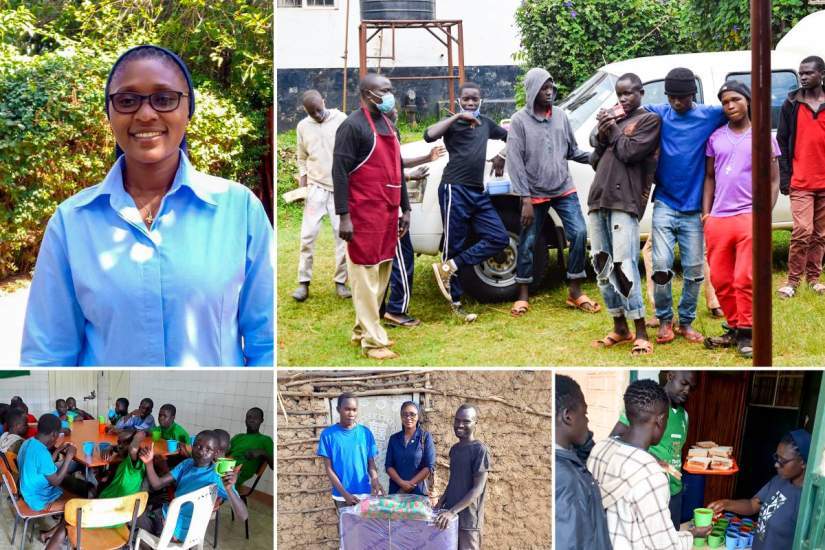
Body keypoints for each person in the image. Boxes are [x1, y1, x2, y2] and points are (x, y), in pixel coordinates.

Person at [20, 44, 274, 366]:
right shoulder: (71, 222)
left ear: (188, 109)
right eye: (127, 101)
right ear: (109, 113)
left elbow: (267, 345)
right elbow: (47, 355)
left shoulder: (238, 210)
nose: (145, 114)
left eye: (164, 98)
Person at [644, 67, 727, 345]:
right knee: (661, 265)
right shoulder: (659, 113)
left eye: (681, 97)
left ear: (692, 94)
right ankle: (666, 321)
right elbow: (633, 105)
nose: (676, 103)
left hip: (693, 209)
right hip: (665, 203)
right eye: (671, 97)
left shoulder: (708, 115)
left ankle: (687, 322)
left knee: (693, 269)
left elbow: (738, 108)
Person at [332, 73, 411, 360]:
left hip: (388, 212)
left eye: (391, 89)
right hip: (362, 213)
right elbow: (339, 174)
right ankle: (374, 342)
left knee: (380, 273)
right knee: (364, 275)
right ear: (367, 93)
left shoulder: (389, 124)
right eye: (385, 90)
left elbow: (398, 169)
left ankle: (361, 329)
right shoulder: (351, 127)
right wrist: (344, 216)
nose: (390, 94)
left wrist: (407, 209)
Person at [506, 68, 595, 317]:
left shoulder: (561, 116)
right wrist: (524, 198)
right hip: (533, 193)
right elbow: (515, 162)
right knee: (529, 241)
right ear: (533, 90)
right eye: (544, 88)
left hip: (563, 187)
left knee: (579, 233)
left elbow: (572, 150)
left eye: (551, 88)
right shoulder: (519, 121)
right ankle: (522, 293)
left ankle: (575, 290)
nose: (549, 92)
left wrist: (595, 158)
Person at [703, 81, 780, 358]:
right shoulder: (716, 138)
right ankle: (734, 328)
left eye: (735, 99)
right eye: (725, 102)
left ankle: (748, 332)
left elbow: (773, 180)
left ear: (747, 101)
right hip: (719, 218)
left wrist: (763, 217)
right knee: (721, 279)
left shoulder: (762, 136)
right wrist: (706, 214)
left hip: (749, 216)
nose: (730, 106)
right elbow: (710, 177)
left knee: (744, 277)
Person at [588, 73, 661, 356]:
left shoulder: (649, 121)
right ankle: (620, 326)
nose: (623, 99)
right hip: (599, 198)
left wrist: (614, 132)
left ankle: (641, 331)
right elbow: (595, 149)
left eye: (628, 93)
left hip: (625, 201)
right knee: (601, 266)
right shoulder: (615, 120)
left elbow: (631, 152)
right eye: (619, 94)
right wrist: (602, 126)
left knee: (625, 266)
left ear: (641, 92)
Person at [589, 379, 710, 549]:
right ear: (661, 420)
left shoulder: (599, 449)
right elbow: (665, 545)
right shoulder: (653, 475)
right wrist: (692, 534)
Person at [428, 81, 509, 322]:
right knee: (455, 243)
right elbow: (428, 135)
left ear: (481, 99)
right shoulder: (452, 125)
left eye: (475, 99)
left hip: (478, 192)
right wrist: (456, 117)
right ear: (459, 101)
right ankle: (456, 303)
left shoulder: (485, 123)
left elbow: (513, 136)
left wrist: (502, 155)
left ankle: (450, 266)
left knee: (499, 237)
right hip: (455, 189)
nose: (471, 103)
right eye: (466, 100)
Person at [382, 107, 446, 328]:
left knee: (385, 263)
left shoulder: (379, 133)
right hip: (390, 209)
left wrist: (425, 159)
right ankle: (396, 310)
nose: (397, 112)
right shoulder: (386, 133)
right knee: (403, 260)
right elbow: (393, 172)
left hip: (382, 209)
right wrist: (405, 211)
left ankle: (381, 307)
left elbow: (395, 165)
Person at [609, 371, 696, 528]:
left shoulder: (685, 416)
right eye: (684, 384)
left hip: (675, 492)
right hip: (650, 491)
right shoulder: (647, 406)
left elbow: (675, 450)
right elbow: (615, 439)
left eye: (691, 387)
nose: (687, 390)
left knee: (672, 541)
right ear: (670, 376)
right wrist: (653, 460)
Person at [292, 89, 351, 302]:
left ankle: (341, 282)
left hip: (340, 187)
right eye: (312, 112)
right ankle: (303, 283)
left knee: (342, 236)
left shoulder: (341, 119)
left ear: (324, 101)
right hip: (316, 187)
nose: (317, 115)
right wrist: (303, 183)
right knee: (307, 235)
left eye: (319, 109)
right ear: (305, 111)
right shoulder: (302, 126)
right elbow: (301, 158)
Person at [708, 430, 811, 550]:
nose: (776, 465)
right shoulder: (778, 481)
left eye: (782, 461)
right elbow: (752, 505)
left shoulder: (806, 501)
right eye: (776, 458)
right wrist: (725, 504)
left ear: (803, 463)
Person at [137, 430, 248, 541]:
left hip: (172, 525)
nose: (201, 452)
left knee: (134, 515)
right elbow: (157, 484)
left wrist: (229, 489)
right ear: (192, 446)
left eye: (208, 449)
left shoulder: (218, 477)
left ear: (216, 453)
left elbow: (243, 516)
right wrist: (148, 462)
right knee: (149, 506)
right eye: (198, 446)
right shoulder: (187, 463)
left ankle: (156, 539)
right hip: (182, 524)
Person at [777, 56, 825, 298]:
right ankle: (792, 281)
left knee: (820, 234)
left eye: (808, 73)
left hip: (824, 181)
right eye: (801, 73)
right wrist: (785, 177)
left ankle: (814, 279)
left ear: (821, 74)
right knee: (802, 230)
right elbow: (782, 142)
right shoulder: (791, 103)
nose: (803, 77)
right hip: (801, 181)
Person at [554, 375, 611, 550]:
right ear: (568, 416)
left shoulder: (569, 456)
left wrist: (585, 441)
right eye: (584, 414)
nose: (587, 421)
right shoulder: (567, 479)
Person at [17, 414, 89, 550]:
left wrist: (58, 449)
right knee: (77, 505)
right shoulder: (41, 453)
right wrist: (68, 457)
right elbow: (56, 481)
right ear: (54, 434)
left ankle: (49, 534)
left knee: (70, 484)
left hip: (27, 489)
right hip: (38, 498)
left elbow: (45, 464)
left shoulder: (29, 442)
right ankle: (54, 536)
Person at [434, 404, 490, 550]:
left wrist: (451, 512)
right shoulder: (455, 450)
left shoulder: (480, 450)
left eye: (466, 421)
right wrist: (441, 501)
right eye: (457, 420)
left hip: (468, 521)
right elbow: (454, 481)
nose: (460, 425)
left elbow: (478, 488)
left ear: (475, 423)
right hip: (450, 517)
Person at [317, 393, 383, 512]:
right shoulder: (328, 435)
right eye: (347, 409)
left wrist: (375, 479)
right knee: (347, 529)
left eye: (354, 410)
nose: (351, 413)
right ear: (338, 409)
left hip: (364, 493)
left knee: (365, 529)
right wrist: (344, 494)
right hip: (341, 496)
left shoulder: (365, 433)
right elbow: (329, 468)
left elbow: (371, 463)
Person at [385, 401, 435, 496]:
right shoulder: (394, 439)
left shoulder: (425, 437)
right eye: (405, 415)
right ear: (401, 417)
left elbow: (429, 466)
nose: (408, 418)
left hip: (418, 492)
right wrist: (401, 483)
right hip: (396, 492)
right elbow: (388, 466)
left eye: (412, 414)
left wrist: (410, 484)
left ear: (418, 416)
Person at [228, 406, 274, 488]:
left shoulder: (265, 440)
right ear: (245, 420)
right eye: (249, 417)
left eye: (256, 418)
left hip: (236, 474)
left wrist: (262, 452)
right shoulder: (238, 437)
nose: (252, 420)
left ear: (261, 420)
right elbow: (226, 454)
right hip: (224, 468)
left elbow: (274, 466)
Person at [97, 429, 146, 498]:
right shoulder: (124, 452)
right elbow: (118, 447)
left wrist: (140, 433)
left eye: (125, 443)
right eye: (119, 442)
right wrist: (109, 447)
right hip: (116, 499)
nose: (120, 446)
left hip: (112, 501)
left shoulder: (136, 460)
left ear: (133, 443)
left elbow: (132, 449)